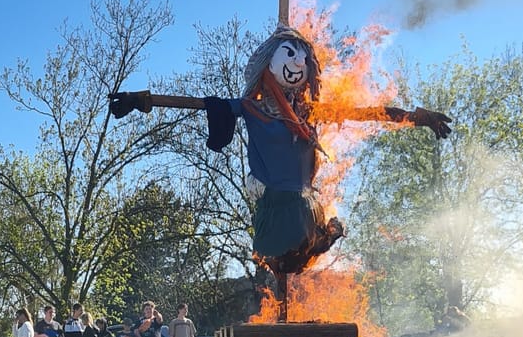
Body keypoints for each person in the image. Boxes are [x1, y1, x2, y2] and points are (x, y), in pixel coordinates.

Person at [108, 24, 450, 277]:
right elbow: (197, 104)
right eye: (288, 54)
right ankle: (319, 239)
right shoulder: (250, 107)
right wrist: (143, 100)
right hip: (272, 199)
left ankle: (321, 235)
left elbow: (367, 113)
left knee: (297, 251)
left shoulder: (311, 113)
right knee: (280, 260)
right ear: (268, 62)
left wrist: (416, 117)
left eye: (303, 58)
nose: (296, 63)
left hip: (301, 199)